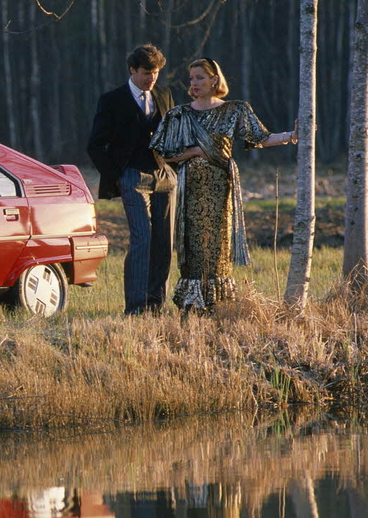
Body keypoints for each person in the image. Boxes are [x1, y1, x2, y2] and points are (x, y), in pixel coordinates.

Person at [149, 58, 298, 311]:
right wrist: (195, 151)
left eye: (199, 78)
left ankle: (219, 303)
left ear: (214, 79)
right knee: (193, 245)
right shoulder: (180, 114)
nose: (193, 83)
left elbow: (260, 137)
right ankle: (192, 304)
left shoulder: (235, 110)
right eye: (191, 78)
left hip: (221, 188)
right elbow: (162, 152)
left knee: (219, 244)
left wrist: (292, 136)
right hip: (191, 188)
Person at [87, 44, 178, 316]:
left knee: (164, 242)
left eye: (156, 72)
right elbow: (95, 145)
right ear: (132, 70)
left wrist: (173, 168)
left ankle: (156, 305)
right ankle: (136, 308)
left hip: (164, 176)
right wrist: (118, 176)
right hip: (132, 176)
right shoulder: (112, 99)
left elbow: (172, 136)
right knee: (142, 239)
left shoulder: (164, 94)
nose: (152, 78)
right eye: (147, 72)